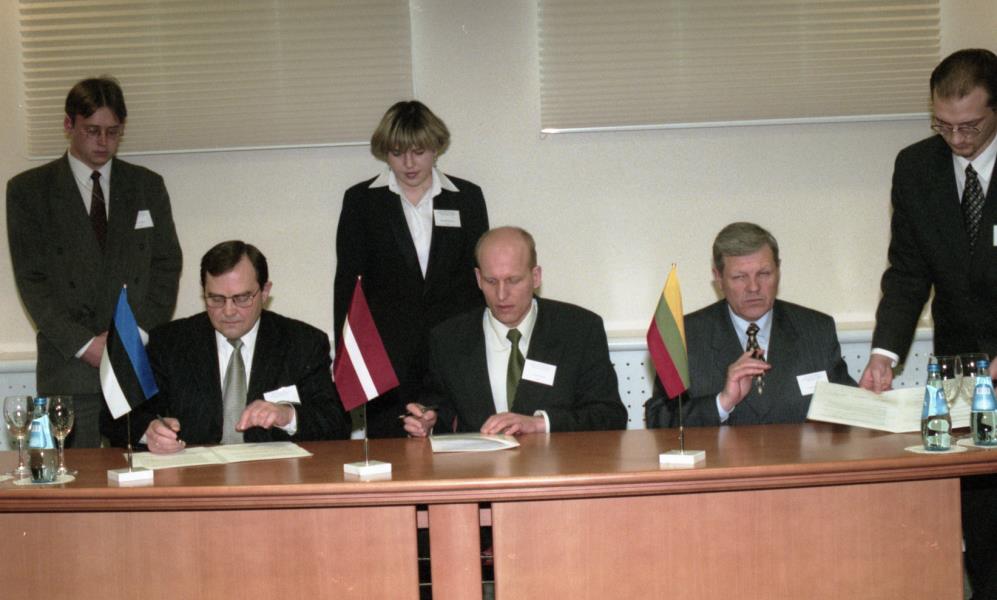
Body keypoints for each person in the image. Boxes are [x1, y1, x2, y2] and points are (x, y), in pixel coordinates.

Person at [857, 49, 997, 598]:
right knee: (981, 528)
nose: (957, 139)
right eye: (944, 125)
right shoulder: (916, 167)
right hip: (962, 373)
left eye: (970, 126)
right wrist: (883, 354)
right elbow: (908, 271)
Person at [6, 76, 182, 447]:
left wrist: (133, 338)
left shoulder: (147, 186)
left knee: (139, 473)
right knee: (68, 477)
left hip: (134, 361)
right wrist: (86, 344)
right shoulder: (28, 191)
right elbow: (32, 281)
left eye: (113, 132)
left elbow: (166, 267)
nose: (103, 142)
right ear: (68, 124)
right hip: (68, 367)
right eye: (92, 131)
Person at [103, 241, 351, 452]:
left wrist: (288, 415)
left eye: (242, 298)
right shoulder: (169, 343)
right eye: (216, 299)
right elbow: (119, 417)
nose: (229, 311)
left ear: (265, 292)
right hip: (193, 479)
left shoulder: (302, 343)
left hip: (273, 480)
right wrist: (149, 431)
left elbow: (337, 423)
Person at [334, 100, 488, 438]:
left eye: (418, 152)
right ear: (384, 152)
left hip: (453, 352)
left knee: (457, 451)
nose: (408, 163)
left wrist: (480, 348)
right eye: (397, 152)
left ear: (436, 148)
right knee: (391, 453)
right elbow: (347, 286)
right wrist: (346, 358)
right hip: (385, 359)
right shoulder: (361, 201)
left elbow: (479, 280)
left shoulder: (467, 198)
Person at [403, 226, 626, 437]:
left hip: (556, 462)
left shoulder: (579, 330)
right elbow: (439, 412)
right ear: (478, 279)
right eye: (491, 281)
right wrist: (427, 424)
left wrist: (540, 423)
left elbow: (610, 416)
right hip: (478, 464)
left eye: (513, 280)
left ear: (535, 276)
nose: (501, 295)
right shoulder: (448, 338)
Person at [646, 222, 855, 428]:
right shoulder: (686, 335)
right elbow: (658, 420)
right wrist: (722, 403)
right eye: (739, 277)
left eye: (764, 274)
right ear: (718, 278)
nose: (753, 287)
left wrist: (869, 401)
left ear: (778, 271)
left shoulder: (816, 329)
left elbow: (847, 409)